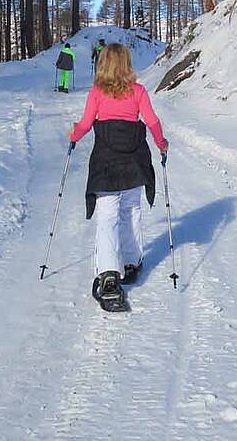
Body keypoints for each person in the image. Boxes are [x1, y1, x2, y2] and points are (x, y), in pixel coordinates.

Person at [69, 43, 168, 312]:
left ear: (103, 64)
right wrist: (161, 143)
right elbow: (152, 122)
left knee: (107, 217)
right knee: (131, 210)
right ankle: (131, 261)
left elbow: (86, 124)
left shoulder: (97, 92)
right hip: (134, 161)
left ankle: (109, 274)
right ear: (126, 64)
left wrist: (74, 135)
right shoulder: (138, 91)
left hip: (106, 163)